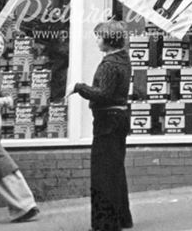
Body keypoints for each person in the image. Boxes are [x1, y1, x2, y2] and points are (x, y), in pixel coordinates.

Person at [69, 21, 132, 231]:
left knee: (103, 172)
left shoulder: (109, 64)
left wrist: (79, 88)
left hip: (107, 120)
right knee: (115, 169)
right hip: (120, 117)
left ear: (108, 39)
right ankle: (121, 218)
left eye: (98, 36)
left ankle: (105, 223)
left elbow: (103, 94)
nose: (96, 40)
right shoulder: (124, 60)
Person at [0, 30, 39, 223]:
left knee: (3, 164)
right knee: (2, 163)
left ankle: (24, 206)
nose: (0, 47)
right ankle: (24, 205)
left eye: (2, 44)